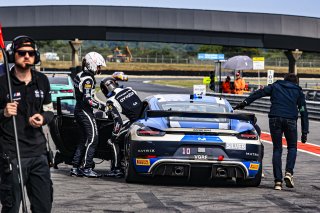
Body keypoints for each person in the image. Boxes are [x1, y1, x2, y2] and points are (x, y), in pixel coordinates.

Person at [0, 35, 54, 212]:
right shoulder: (2, 83)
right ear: (12, 55)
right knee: (12, 208)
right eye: (21, 52)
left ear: (35, 56)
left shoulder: (42, 81)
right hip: (12, 155)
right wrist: (3, 112)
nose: (26, 56)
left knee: (43, 207)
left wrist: (43, 118)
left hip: (39, 154)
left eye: (30, 53)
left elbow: (49, 110)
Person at [234, 73, 309, 190]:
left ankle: (278, 182)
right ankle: (289, 173)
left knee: (277, 149)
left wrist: (245, 103)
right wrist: (305, 132)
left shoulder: (276, 86)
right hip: (290, 120)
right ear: (296, 82)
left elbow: (259, 93)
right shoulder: (298, 91)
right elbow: (304, 111)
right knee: (292, 147)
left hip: (275, 118)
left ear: (284, 80)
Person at [70, 52, 107, 178]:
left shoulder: (80, 75)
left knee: (83, 140)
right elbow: (88, 100)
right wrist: (103, 107)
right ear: (92, 64)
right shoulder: (88, 79)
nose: (99, 69)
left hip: (78, 109)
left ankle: (75, 167)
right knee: (93, 139)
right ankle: (86, 167)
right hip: (84, 111)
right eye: (98, 66)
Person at [100, 77, 143, 178]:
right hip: (145, 122)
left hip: (135, 126)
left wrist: (114, 135)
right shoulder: (130, 90)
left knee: (113, 141)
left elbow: (118, 122)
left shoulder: (111, 101)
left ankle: (117, 169)